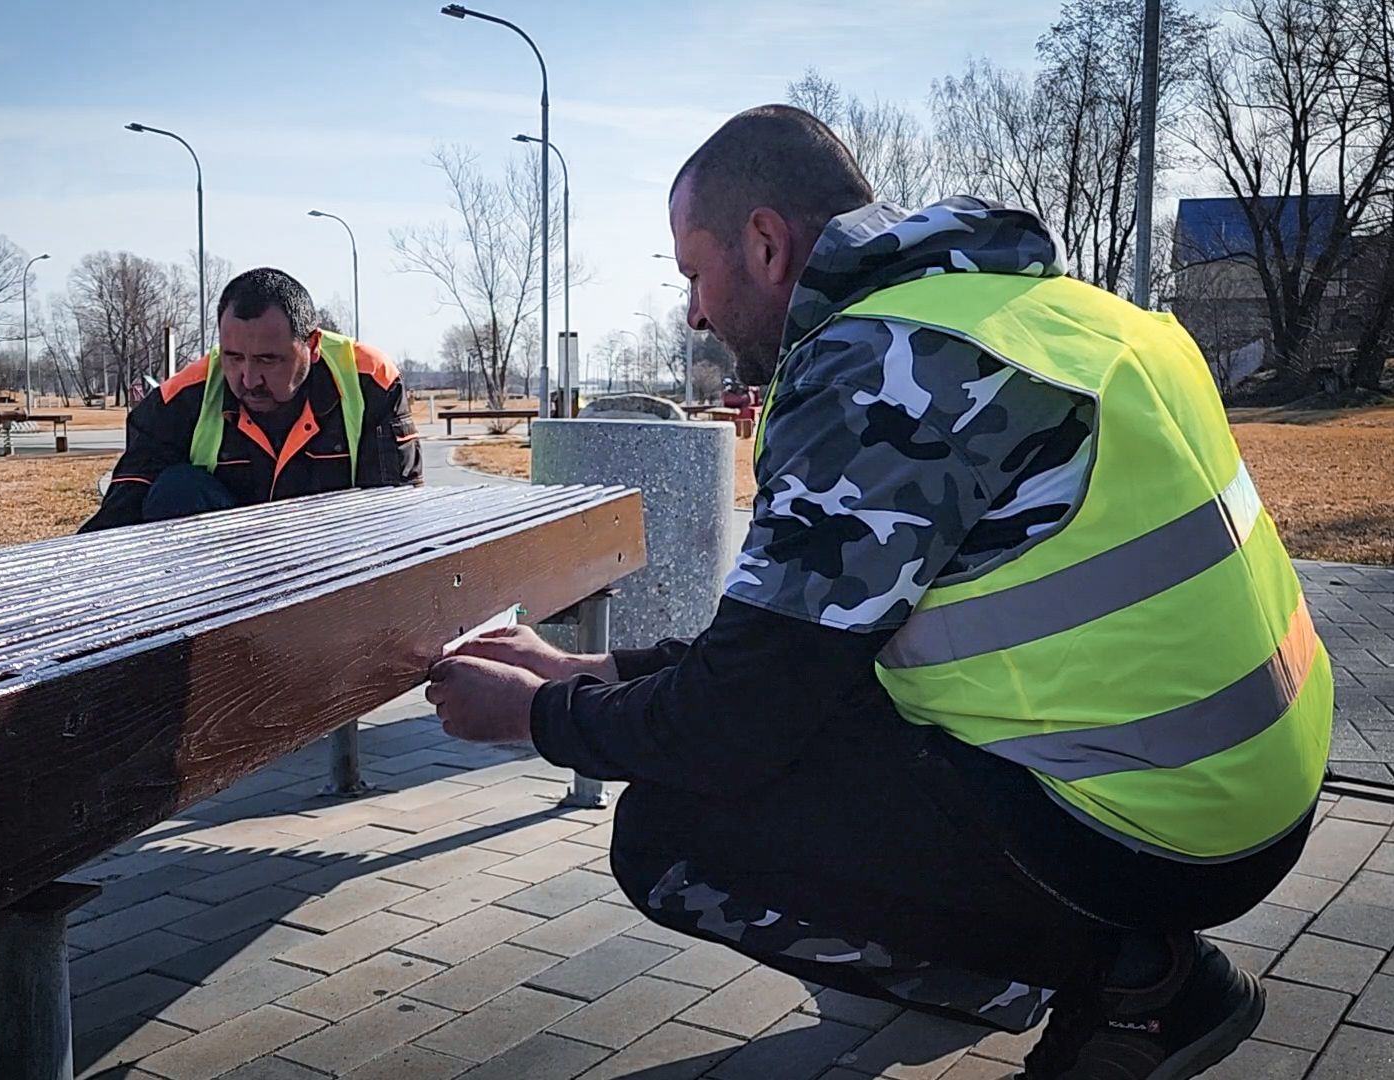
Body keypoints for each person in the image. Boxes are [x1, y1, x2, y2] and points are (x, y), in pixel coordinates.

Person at [425, 105, 1331, 1080]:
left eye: (692, 271)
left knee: (670, 830)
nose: (691, 310)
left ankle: (1131, 981)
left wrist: (541, 714)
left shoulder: (879, 369)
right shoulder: (1063, 313)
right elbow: (792, 650)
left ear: (765, 243)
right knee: (808, 711)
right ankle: (1053, 948)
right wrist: (595, 666)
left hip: (1147, 834)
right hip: (1259, 789)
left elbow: (735, 723)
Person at [80, 267, 422, 532]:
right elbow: (118, 516)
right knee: (176, 489)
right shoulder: (182, 398)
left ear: (313, 346)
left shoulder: (369, 381)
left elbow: (395, 512)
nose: (248, 378)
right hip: (226, 567)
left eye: (267, 360)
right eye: (233, 357)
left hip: (336, 553)